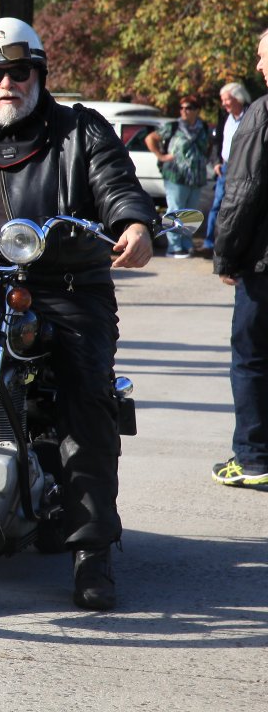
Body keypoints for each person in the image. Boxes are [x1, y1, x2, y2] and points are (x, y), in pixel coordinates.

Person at [0, 16, 155, 611]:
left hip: (63, 286)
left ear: (39, 74)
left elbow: (118, 186)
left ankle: (91, 550)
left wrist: (134, 224)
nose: (5, 84)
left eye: (18, 71)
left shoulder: (80, 133)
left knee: (86, 394)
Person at [212, 31, 268, 490]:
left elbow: (242, 191)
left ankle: (252, 459)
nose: (259, 65)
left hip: (263, 266)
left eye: (263, 57)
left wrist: (225, 255)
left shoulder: (261, 113)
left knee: (251, 359)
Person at [145, 96, 210, 258]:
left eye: (188, 108)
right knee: (176, 210)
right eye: (181, 108)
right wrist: (161, 156)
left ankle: (186, 245)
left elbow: (208, 147)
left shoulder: (203, 127)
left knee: (190, 212)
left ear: (196, 110)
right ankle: (173, 247)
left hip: (196, 177)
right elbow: (150, 138)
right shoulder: (173, 126)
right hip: (176, 176)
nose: (184, 111)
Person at [202, 82, 250, 260]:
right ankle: (209, 244)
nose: (224, 104)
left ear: (238, 98)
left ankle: (235, 245)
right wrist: (216, 161)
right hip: (225, 167)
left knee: (240, 206)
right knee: (217, 206)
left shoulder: (252, 114)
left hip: (244, 168)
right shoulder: (224, 116)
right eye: (222, 100)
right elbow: (217, 141)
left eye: (226, 100)